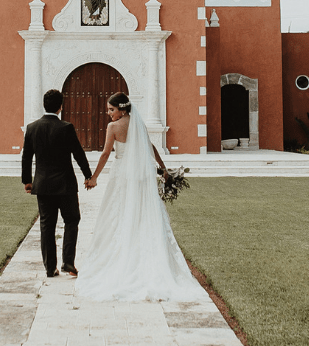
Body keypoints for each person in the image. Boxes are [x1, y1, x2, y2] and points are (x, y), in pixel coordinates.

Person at [75, 92, 204, 301]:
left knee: (118, 212)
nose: (108, 114)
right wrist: (163, 168)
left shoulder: (113, 128)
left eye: (111, 110)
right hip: (140, 176)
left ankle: (120, 256)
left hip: (122, 175)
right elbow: (151, 147)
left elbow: (106, 153)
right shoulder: (138, 124)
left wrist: (94, 177)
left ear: (122, 109)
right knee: (142, 212)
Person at [22, 88, 93, 278]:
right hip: (66, 185)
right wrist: (88, 176)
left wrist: (27, 181)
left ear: (43, 106)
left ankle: (49, 267)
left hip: (43, 185)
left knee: (47, 225)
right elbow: (79, 154)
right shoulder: (66, 128)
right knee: (72, 220)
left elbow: (26, 157)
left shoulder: (31, 128)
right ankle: (68, 262)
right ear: (61, 107)